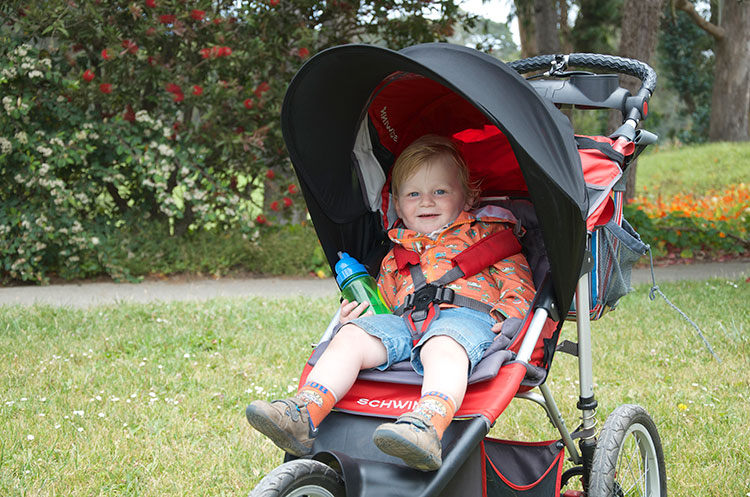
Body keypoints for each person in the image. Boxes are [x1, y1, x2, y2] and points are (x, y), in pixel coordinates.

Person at [246, 134, 535, 471]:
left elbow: (519, 284)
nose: (426, 201)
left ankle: (427, 425)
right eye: (414, 194)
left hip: (465, 321)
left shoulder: (488, 235)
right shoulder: (395, 253)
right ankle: (304, 413)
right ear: (397, 203)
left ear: (468, 196)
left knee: (441, 344)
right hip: (404, 323)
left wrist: (511, 318)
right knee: (351, 335)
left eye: (440, 191)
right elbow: (383, 303)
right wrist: (358, 317)